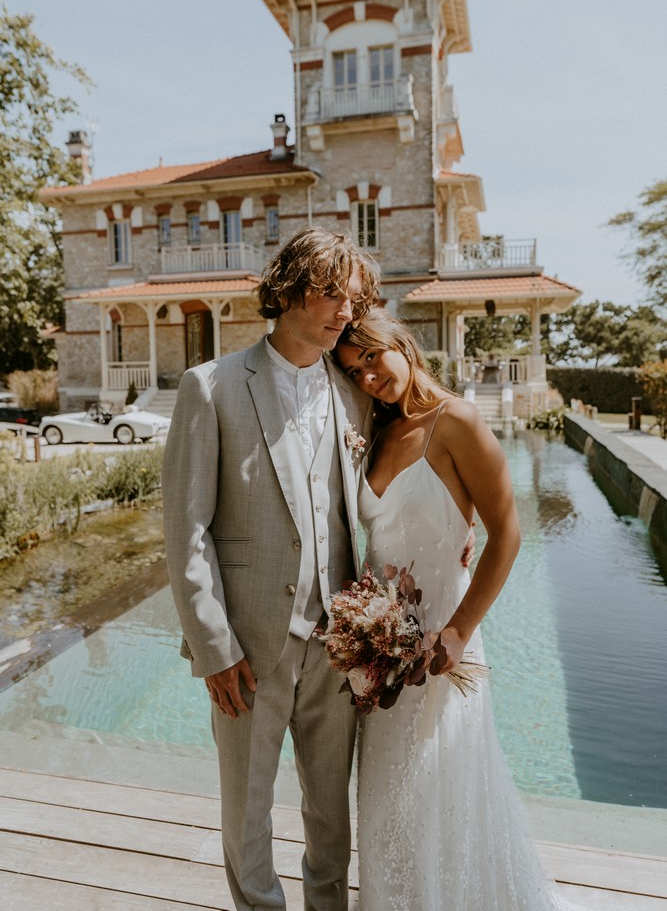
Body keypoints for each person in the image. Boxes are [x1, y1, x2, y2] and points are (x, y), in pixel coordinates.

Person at [335, 307, 582, 911]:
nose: (368, 376)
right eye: (354, 370)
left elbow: (507, 532)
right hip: (383, 650)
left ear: (401, 343)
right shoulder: (378, 427)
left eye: (372, 356)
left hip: (443, 640)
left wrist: (460, 630)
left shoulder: (459, 421)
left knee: (440, 789)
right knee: (387, 793)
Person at [162, 227, 379, 911]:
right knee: (248, 810)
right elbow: (185, 530)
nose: (344, 311)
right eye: (328, 293)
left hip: (338, 643)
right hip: (248, 647)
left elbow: (390, 487)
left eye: (353, 298)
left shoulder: (356, 393)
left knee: (330, 814)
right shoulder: (211, 386)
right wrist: (213, 648)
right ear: (287, 290)